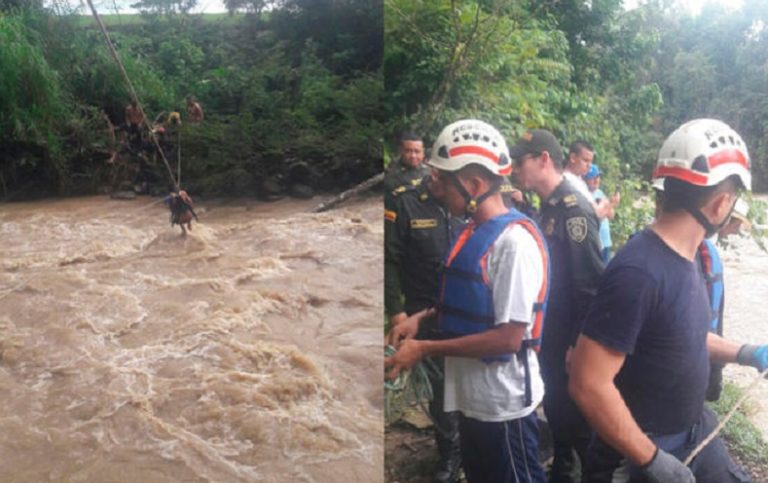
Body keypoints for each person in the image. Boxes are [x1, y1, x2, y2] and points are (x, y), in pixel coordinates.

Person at [569, 118, 763, 482]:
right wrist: (650, 459)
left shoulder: (686, 257)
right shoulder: (639, 271)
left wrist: (746, 352)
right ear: (721, 204)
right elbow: (587, 381)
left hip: (694, 432)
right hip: (638, 453)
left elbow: (680, 336)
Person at [385, 119, 550, 483]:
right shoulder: (472, 230)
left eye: (442, 181)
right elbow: (471, 300)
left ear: (474, 184)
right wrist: (421, 319)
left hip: (504, 407)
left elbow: (508, 338)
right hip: (474, 401)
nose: (436, 189)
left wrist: (424, 348)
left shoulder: (513, 244)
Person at [510, 129, 604, 483]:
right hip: (547, 331)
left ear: (544, 160)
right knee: (557, 408)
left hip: (568, 335)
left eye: (521, 162)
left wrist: (577, 342)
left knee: (575, 415)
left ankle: (596, 473)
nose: (515, 169)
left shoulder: (574, 209)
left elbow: (592, 285)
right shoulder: (548, 206)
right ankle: (564, 467)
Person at [384, 172, 465, 483]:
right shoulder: (404, 203)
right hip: (422, 311)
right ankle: (449, 456)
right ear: (436, 175)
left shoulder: (466, 203)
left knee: (467, 379)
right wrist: (397, 312)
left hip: (462, 307)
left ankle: (470, 449)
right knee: (441, 388)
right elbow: (389, 260)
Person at [583, 164, 617, 263]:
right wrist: (611, 204)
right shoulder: (584, 195)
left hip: (606, 241)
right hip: (595, 243)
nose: (596, 180)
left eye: (597, 177)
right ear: (585, 179)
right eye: (592, 178)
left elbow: (611, 215)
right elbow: (597, 217)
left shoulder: (600, 193)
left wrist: (610, 204)